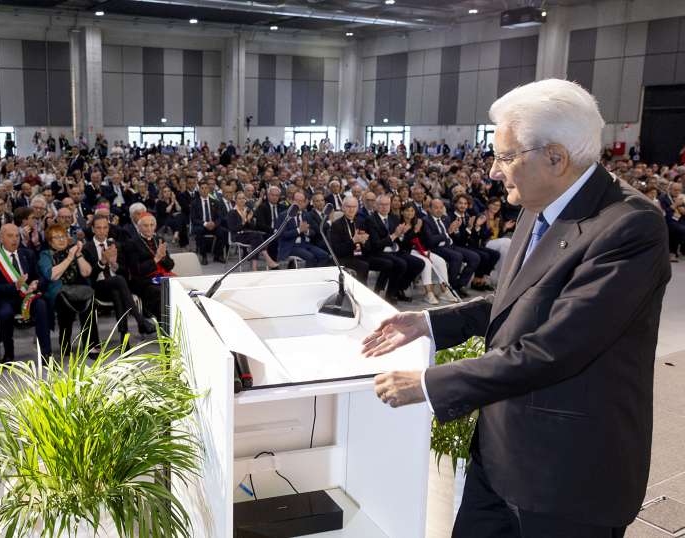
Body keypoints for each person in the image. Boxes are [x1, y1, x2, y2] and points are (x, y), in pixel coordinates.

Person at [363, 79, 671, 537]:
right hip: (501, 454)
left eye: (505, 156)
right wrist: (429, 322)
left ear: (555, 157)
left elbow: (554, 349)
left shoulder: (629, 228)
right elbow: (520, 297)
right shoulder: (537, 200)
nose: (492, 171)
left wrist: (429, 383)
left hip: (566, 475)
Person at [0, 223, 51, 361]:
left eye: (17, 236)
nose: (15, 240)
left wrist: (36, 283)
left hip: (27, 296)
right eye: (10, 236)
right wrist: (14, 286)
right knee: (5, 313)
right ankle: (9, 353)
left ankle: (46, 353)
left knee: (41, 305)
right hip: (5, 298)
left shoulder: (27, 254)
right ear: (1, 238)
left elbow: (39, 276)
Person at [81, 214, 154, 339]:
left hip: (119, 287)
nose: (102, 231)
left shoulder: (115, 245)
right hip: (98, 287)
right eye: (98, 228)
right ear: (93, 229)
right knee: (118, 282)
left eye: (105, 228)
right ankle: (140, 321)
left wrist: (114, 264)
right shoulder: (87, 248)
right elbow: (89, 276)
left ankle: (123, 339)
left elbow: (125, 272)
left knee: (117, 290)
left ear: (108, 229)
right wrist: (102, 262)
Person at [38, 225, 99, 356]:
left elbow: (87, 272)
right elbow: (52, 275)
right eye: (57, 237)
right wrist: (70, 258)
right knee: (64, 301)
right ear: (50, 241)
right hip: (57, 292)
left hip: (77, 289)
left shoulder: (72, 251)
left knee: (89, 297)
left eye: (63, 236)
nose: (61, 240)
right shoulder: (45, 255)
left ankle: (91, 344)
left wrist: (78, 254)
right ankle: (65, 342)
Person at [126, 213, 175, 320]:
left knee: (180, 288)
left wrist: (163, 258)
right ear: (139, 227)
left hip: (162, 277)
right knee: (160, 292)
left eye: (152, 225)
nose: (149, 228)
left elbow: (170, 266)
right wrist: (156, 259)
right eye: (145, 225)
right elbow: (136, 270)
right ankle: (164, 327)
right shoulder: (132, 243)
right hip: (143, 281)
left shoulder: (159, 240)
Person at [226, 191, 279, 271]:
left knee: (257, 235)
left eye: (243, 198)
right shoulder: (232, 212)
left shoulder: (247, 211)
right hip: (237, 235)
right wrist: (243, 221)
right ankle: (266, 259)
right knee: (256, 236)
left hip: (249, 235)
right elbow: (233, 229)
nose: (242, 200)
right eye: (239, 199)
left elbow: (252, 227)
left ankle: (255, 266)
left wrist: (249, 220)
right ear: (235, 200)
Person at [275, 191, 330, 268]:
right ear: (291, 201)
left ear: (304, 202)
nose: (299, 203)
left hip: (305, 244)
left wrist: (307, 231)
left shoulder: (306, 214)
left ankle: (317, 275)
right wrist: (298, 230)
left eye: (301, 201)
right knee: (310, 257)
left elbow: (313, 232)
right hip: (290, 246)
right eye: (296, 200)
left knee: (324, 255)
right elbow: (281, 235)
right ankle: (307, 278)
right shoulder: (284, 215)